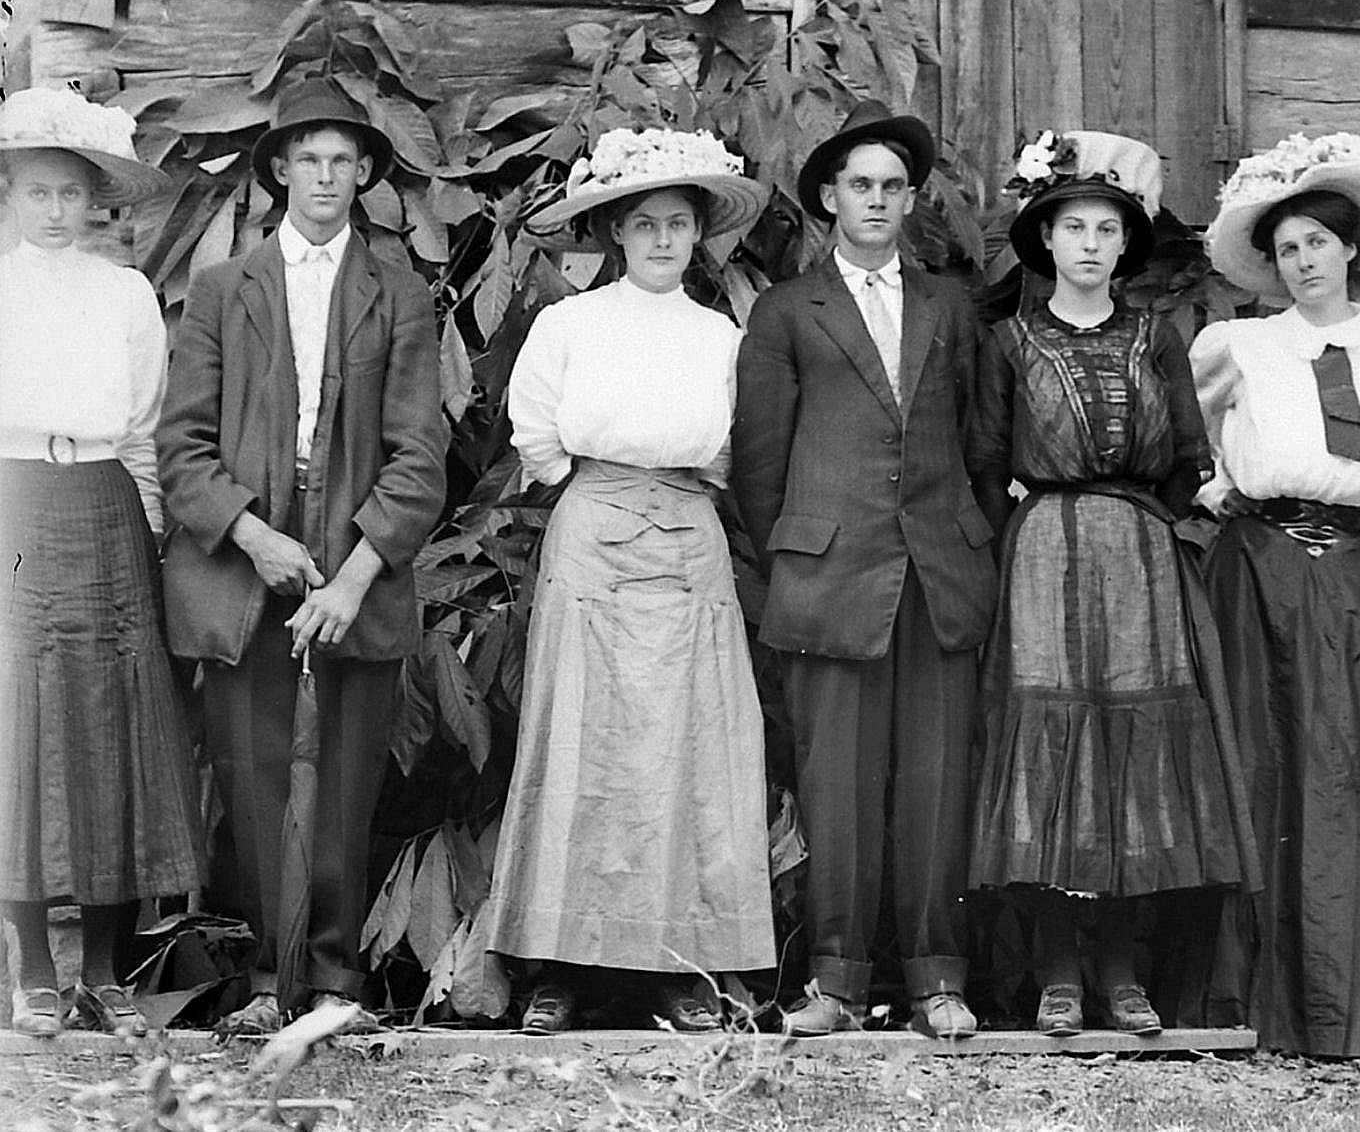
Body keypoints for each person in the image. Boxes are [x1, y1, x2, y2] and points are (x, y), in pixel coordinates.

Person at [158, 75, 448, 1034]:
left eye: (342, 161)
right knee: (252, 775)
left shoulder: (399, 294)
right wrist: (253, 535)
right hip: (248, 563)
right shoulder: (222, 290)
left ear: (363, 174)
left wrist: (355, 577)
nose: (325, 176)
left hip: (353, 560)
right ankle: (259, 984)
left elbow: (419, 456)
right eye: (308, 159)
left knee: (346, 781)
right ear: (279, 170)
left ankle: (331, 985)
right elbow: (183, 448)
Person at [969, 130, 1257, 1038]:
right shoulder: (1010, 342)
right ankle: (1058, 970)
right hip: (1044, 555)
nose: (1090, 244)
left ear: (1126, 244)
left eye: (1106, 229)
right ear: (1045, 240)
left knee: (1134, 756)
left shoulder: (1155, 337)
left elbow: (1186, 456)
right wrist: (1033, 536)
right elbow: (986, 462)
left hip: (1138, 555)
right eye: (1073, 228)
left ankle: (1123, 972)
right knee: (1053, 749)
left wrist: (1140, 526)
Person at [488, 127, 776, 1034]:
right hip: (595, 531)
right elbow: (536, 436)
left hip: (688, 535)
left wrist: (671, 492)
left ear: (699, 236)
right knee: (581, 739)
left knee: (690, 746)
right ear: (616, 230)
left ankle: (683, 969)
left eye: (677, 224)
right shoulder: (571, 324)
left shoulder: (720, 336)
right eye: (644, 223)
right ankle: (558, 969)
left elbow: (732, 451)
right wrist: (605, 491)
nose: (661, 239)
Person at [731, 100, 999, 1040]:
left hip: (939, 574)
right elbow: (759, 466)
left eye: (892, 186)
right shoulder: (785, 310)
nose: (877, 200)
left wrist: (962, 538)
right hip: (830, 578)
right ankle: (836, 985)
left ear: (912, 199)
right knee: (836, 788)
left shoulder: (949, 306)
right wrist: (802, 554)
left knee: (936, 783)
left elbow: (981, 444)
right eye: (860, 186)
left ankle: (937, 982)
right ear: (829, 200)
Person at [1191, 131, 1360, 1058]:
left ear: (1351, 248)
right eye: (1287, 250)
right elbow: (1182, 434)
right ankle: (1247, 1006)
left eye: (1318, 243)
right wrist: (1220, 489)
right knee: (1256, 765)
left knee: (1341, 774)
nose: (1303, 263)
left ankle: (1340, 1007)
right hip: (1256, 567)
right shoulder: (1241, 345)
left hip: (1353, 573)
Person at [0, 88, 203, 1039]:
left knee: (113, 724)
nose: (54, 211)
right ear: (10, 194)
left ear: (95, 202)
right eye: (37, 191)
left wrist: (149, 532)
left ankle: (107, 972)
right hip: (13, 504)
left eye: (71, 194)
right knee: (21, 725)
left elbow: (144, 432)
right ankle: (35, 971)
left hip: (106, 506)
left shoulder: (125, 296)